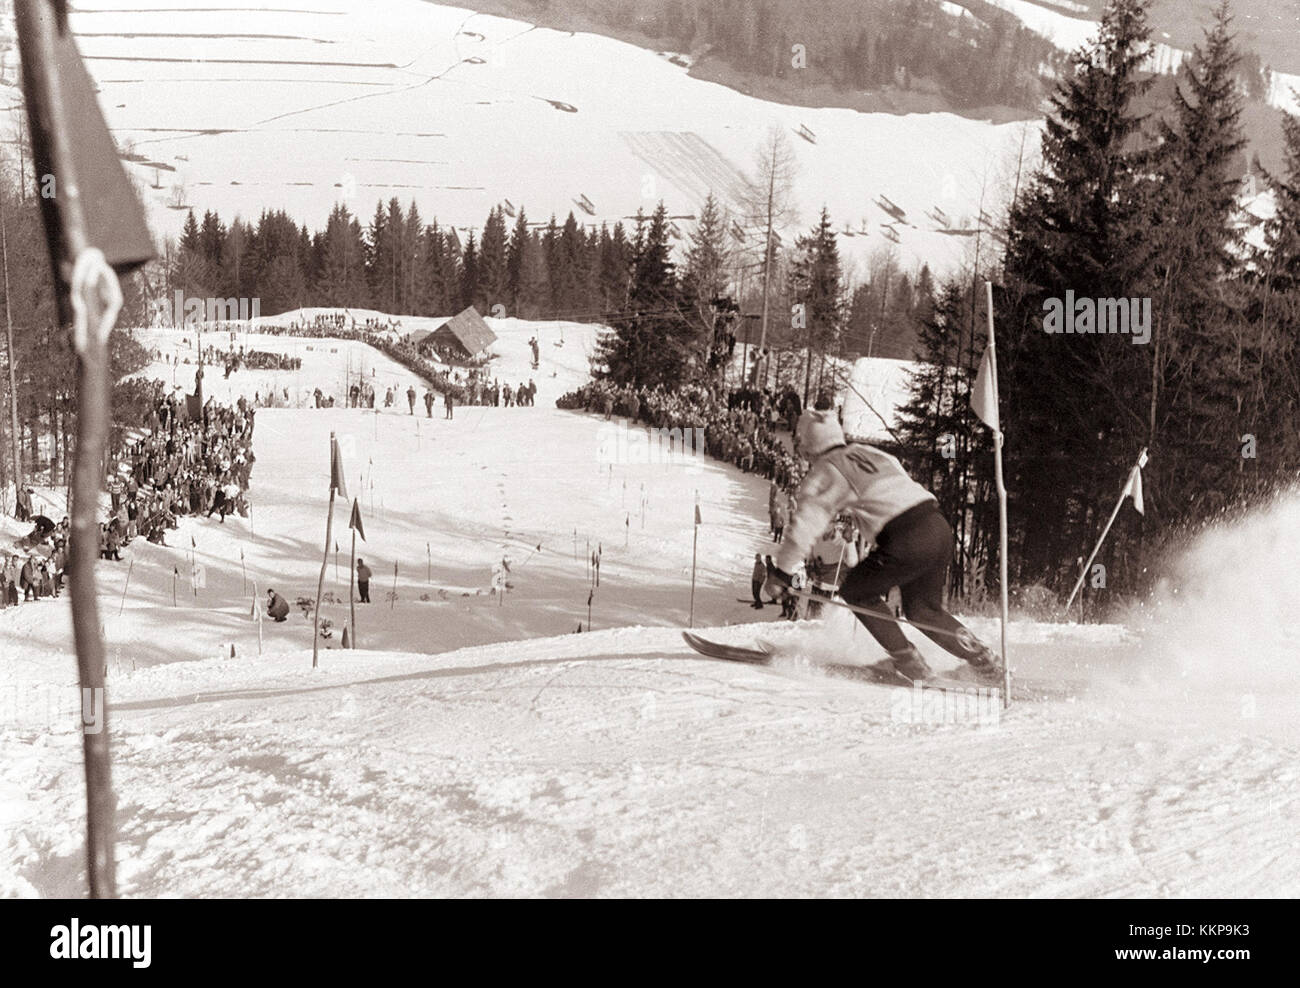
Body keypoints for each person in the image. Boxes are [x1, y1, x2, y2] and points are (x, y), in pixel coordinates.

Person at [766, 408, 1002, 683]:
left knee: (856, 589)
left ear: (809, 445)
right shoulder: (875, 453)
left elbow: (804, 526)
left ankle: (909, 661)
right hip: (937, 525)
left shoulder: (827, 468)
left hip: (905, 536)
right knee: (924, 610)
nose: (802, 453)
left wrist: (782, 574)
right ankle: (983, 661)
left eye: (802, 445)